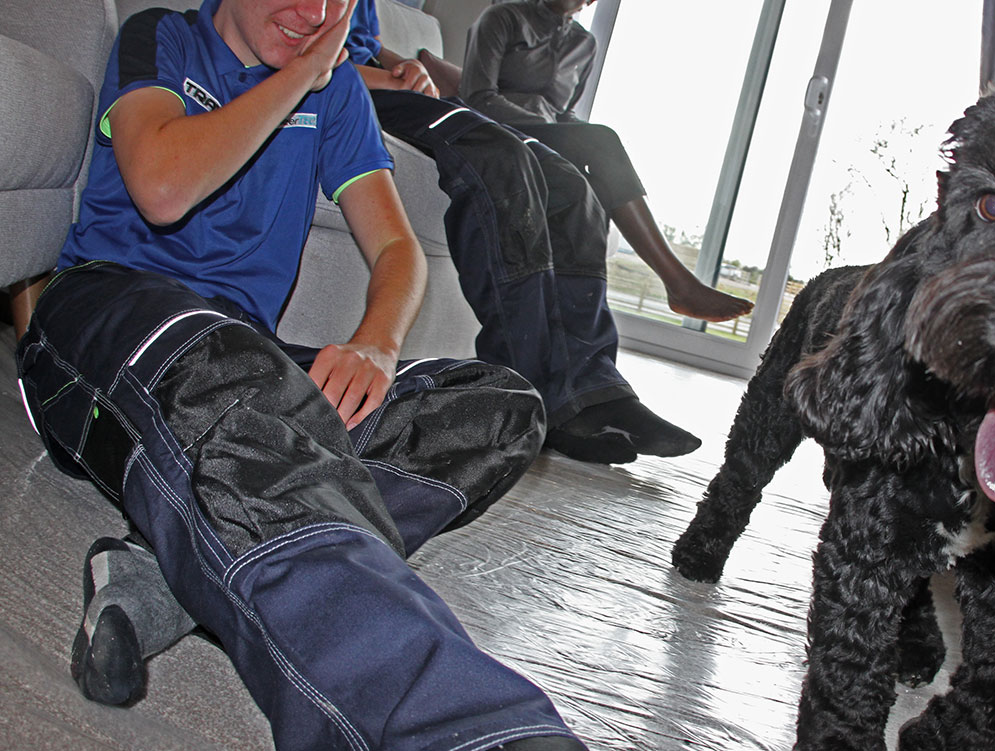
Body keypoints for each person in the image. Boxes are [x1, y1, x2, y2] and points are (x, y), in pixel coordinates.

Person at [18, 0, 584, 748]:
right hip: (110, 315)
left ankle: (174, 568)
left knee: (501, 407)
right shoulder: (162, 36)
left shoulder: (339, 91)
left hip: (244, 359)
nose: (315, 11)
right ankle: (456, 726)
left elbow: (397, 251)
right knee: (240, 387)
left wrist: (377, 343)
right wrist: (301, 76)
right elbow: (161, 187)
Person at [349, 0, 714, 465]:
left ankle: (598, 390)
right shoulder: (502, 19)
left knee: (570, 184)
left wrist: (403, 64)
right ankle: (527, 391)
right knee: (503, 158)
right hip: (352, 92)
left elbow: (364, 42)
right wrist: (384, 78)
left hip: (394, 87)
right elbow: (298, 54)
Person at [419, 0, 753, 325]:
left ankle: (572, 327)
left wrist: (569, 134)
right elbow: (479, 97)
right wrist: (560, 132)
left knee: (594, 179)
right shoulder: (502, 17)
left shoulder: (585, 44)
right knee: (602, 139)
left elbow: (565, 111)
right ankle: (680, 284)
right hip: (494, 131)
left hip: (546, 141)